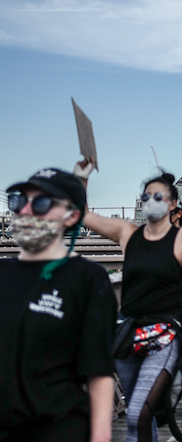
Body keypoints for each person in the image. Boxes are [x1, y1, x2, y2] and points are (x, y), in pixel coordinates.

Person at [77, 163, 182, 442]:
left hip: (163, 334)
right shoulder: (129, 234)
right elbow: (84, 216)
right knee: (138, 418)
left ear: (173, 204)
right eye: (146, 197)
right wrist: (82, 177)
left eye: (159, 197)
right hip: (127, 330)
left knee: (138, 411)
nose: (151, 202)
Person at [0, 168, 117, 442]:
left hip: (58, 427)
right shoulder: (3, 273)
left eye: (41, 203)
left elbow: (98, 371)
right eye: (19, 201)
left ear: (72, 216)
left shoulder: (88, 279)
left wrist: (101, 437)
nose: (26, 210)